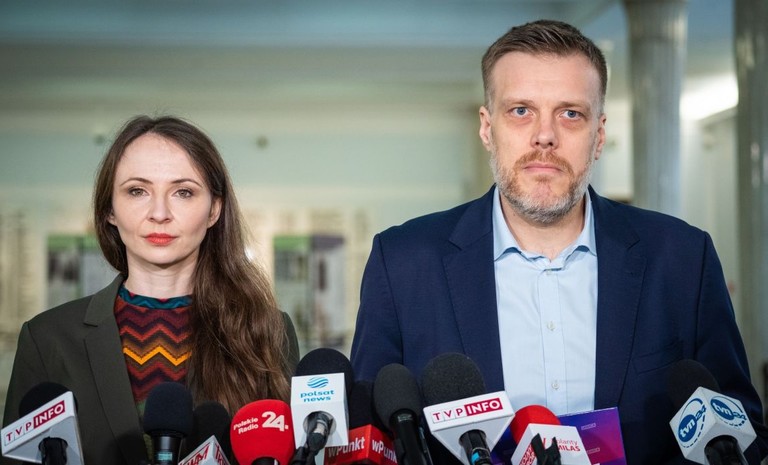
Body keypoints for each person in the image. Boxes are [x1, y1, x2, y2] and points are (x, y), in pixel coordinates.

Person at [350, 19, 768, 463]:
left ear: (599, 136)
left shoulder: (682, 258)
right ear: (487, 128)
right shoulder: (403, 264)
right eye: (521, 111)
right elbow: (368, 442)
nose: (545, 136)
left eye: (570, 113)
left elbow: (742, 427)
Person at [1, 115, 299, 465]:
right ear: (110, 209)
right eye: (137, 191)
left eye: (183, 192)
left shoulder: (265, 330)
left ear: (214, 210)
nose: (159, 213)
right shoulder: (48, 339)